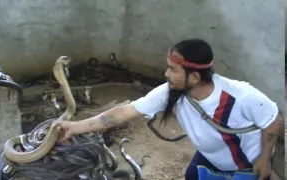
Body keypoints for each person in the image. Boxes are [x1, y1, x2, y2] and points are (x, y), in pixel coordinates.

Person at [54, 39, 281, 180]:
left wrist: (264, 158)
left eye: (172, 69)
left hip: (245, 166)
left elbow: (272, 120)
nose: (166, 74)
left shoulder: (240, 96)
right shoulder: (170, 92)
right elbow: (123, 113)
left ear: (193, 76)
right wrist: (74, 127)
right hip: (208, 159)